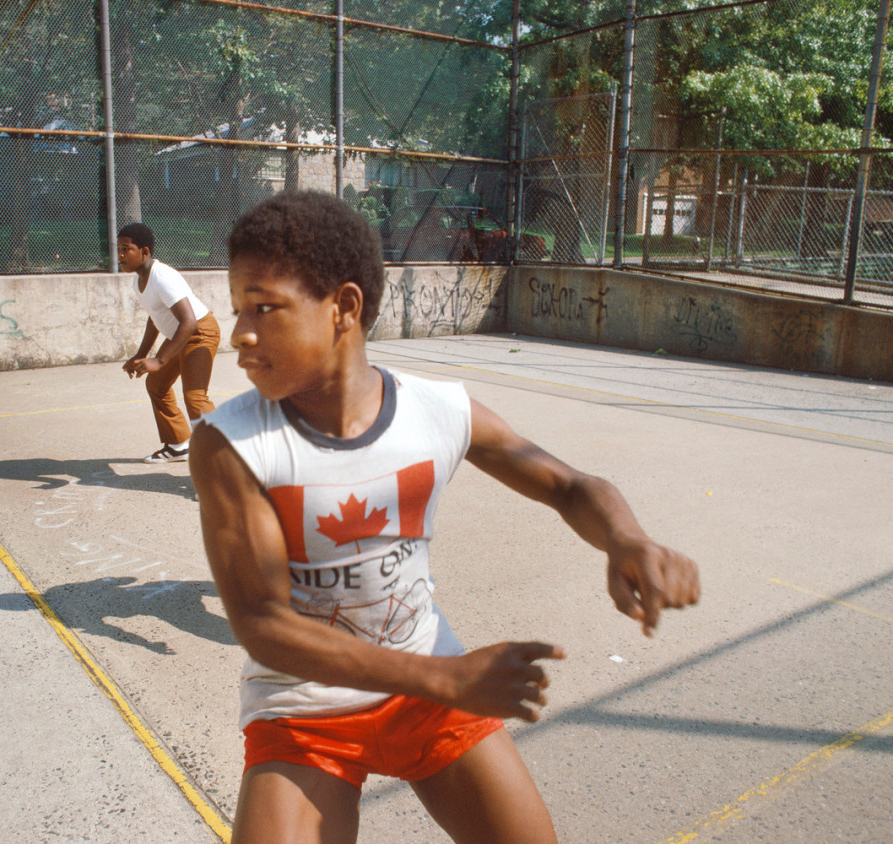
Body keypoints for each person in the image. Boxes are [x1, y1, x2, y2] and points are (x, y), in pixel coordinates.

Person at [189, 191, 700, 844]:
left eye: (264, 307)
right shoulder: (231, 443)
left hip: (430, 689)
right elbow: (264, 625)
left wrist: (628, 539)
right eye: (238, 310)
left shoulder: (436, 411)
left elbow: (570, 486)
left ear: (343, 307)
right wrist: (444, 676)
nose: (240, 334)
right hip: (306, 709)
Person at [118, 222, 220, 463]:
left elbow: (190, 322)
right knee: (157, 385)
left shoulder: (162, 277)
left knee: (195, 398)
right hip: (180, 335)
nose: (120, 255)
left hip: (200, 333)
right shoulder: (139, 280)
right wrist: (140, 355)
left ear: (144, 252)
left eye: (126, 249)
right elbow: (155, 319)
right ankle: (178, 444)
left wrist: (160, 359)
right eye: (118, 249)